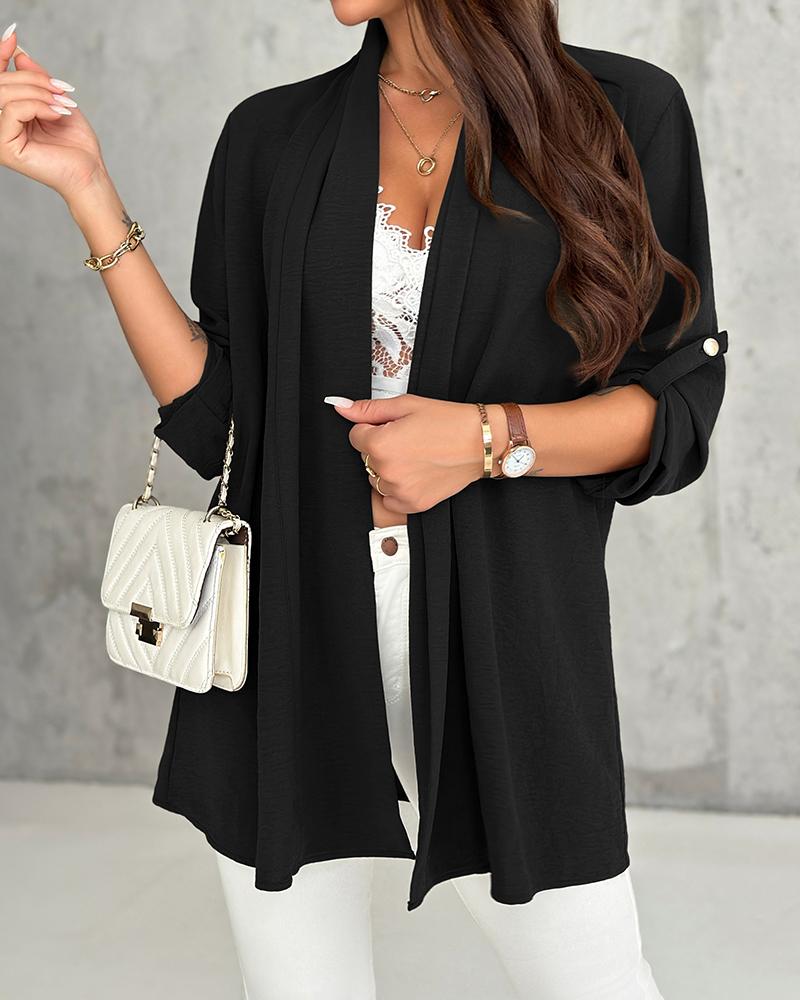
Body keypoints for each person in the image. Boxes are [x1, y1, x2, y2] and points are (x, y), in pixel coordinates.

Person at [0, 2, 727, 997]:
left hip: (511, 653)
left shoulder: (621, 113)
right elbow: (225, 425)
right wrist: (85, 184)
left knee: (594, 981)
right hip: (286, 643)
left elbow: (676, 403)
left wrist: (481, 441)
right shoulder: (271, 135)